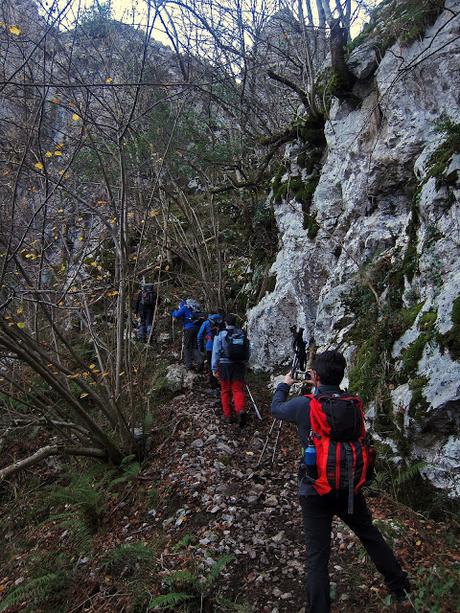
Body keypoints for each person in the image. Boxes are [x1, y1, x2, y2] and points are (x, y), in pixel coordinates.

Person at [272, 350, 410, 613]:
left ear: (316, 376)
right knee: (369, 535)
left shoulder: (305, 405)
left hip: (315, 489)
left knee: (317, 557)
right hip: (349, 487)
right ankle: (400, 586)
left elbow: (276, 409)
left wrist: (284, 384)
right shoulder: (352, 404)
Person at [211, 314, 249, 426]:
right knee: (238, 389)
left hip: (224, 366)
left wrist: (214, 368)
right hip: (239, 365)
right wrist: (245, 362)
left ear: (225, 323)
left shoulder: (221, 334)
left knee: (225, 390)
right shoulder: (241, 333)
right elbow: (247, 349)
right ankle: (240, 410)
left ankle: (228, 415)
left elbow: (216, 352)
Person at [171, 299, 203, 370]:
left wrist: (172, 312)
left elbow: (176, 315)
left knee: (187, 347)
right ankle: (200, 362)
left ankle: (188, 365)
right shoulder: (194, 307)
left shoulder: (185, 307)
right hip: (196, 328)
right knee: (195, 346)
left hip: (188, 329)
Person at [197, 313, 224, 389]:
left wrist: (200, 346)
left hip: (210, 346)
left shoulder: (206, 322)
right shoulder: (221, 321)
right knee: (221, 364)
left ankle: (213, 383)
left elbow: (199, 335)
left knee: (211, 365)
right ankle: (223, 383)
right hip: (221, 346)